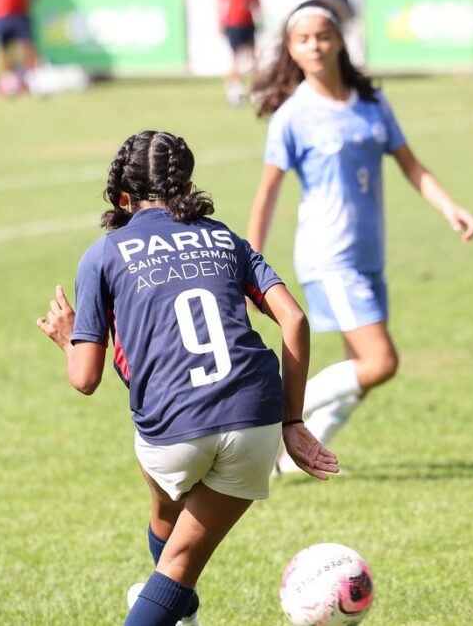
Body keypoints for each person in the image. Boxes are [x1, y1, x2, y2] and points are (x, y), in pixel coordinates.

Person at [37, 130, 338, 626]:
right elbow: (295, 321)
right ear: (184, 186)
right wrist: (293, 420)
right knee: (169, 534)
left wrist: (69, 337)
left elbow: (84, 377)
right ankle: (180, 614)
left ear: (125, 196)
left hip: (171, 428)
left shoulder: (104, 253)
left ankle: (172, 611)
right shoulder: (224, 237)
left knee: (173, 560)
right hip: (254, 418)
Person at [247, 0, 473, 473]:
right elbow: (267, 192)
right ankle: (269, 420)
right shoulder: (293, 115)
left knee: (364, 374)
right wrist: (249, 263)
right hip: (329, 256)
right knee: (380, 362)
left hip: (370, 255)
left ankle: (296, 462)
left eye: (322, 35)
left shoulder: (372, 103)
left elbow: (411, 165)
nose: (314, 45)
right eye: (303, 38)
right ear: (291, 49)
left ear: (339, 41)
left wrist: (448, 205)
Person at [216, 0, 259, 107]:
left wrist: (258, 13)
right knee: (234, 58)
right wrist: (220, 21)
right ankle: (235, 90)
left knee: (253, 58)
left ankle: (257, 90)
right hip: (233, 22)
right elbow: (221, 0)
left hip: (248, 21)